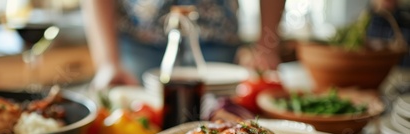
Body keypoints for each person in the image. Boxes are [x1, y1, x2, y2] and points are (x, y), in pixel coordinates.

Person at [81, 0, 286, 91]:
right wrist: (108, 62)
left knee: (217, 119)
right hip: (139, 40)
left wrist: (267, 47)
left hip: (216, 39)